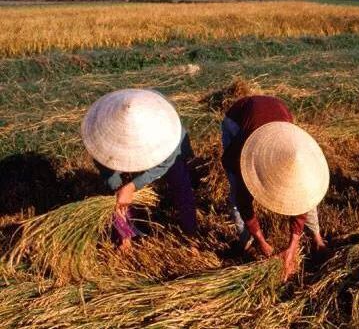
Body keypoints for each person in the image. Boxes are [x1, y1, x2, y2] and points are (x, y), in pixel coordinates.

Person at [221, 95, 329, 281]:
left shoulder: (300, 154)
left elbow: (304, 198)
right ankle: (247, 242)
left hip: (279, 113)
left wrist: (292, 248)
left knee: (305, 191)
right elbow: (243, 201)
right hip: (238, 120)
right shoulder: (245, 158)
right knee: (236, 195)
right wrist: (262, 241)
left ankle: (317, 237)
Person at [81, 89, 197, 250]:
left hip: (168, 152)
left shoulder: (167, 131)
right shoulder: (101, 137)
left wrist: (133, 186)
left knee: (180, 186)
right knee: (120, 198)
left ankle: (190, 233)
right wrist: (120, 190)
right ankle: (125, 236)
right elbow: (110, 174)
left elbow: (163, 165)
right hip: (117, 144)